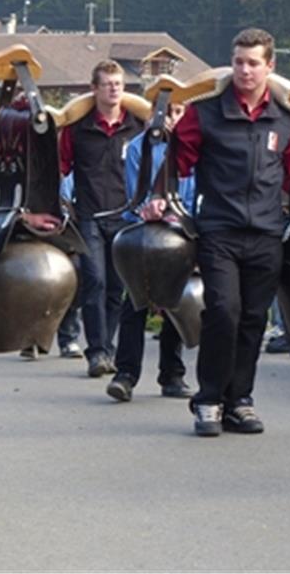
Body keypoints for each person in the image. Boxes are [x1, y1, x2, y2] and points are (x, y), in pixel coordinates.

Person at [145, 28, 290, 437]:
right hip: (219, 229)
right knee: (223, 310)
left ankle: (240, 401)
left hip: (267, 231)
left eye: (253, 63)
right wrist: (158, 197)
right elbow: (176, 159)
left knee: (253, 319)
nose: (245, 70)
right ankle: (209, 400)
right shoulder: (206, 112)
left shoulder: (285, 120)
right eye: (238, 62)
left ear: (270, 66)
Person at [59, 60, 147, 378]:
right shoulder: (77, 128)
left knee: (117, 288)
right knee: (94, 281)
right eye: (107, 83)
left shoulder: (138, 125)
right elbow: (60, 167)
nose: (114, 89)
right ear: (94, 88)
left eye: (119, 84)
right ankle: (96, 352)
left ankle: (107, 348)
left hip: (125, 216)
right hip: (90, 215)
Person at [106, 104, 193, 402]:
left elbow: (195, 189)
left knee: (178, 302)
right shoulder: (139, 147)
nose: (173, 118)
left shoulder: (194, 144)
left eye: (179, 111)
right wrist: (153, 207)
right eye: (167, 111)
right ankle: (126, 373)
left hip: (184, 229)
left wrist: (183, 216)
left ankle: (172, 373)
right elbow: (137, 194)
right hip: (147, 228)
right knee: (135, 300)